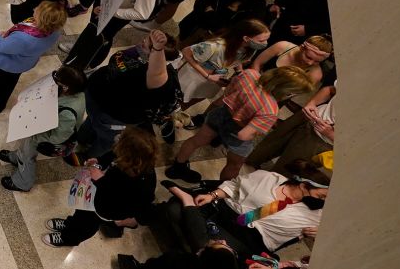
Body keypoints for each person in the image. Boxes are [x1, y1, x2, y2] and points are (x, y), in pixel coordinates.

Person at [166, 66, 315, 183]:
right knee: (235, 165)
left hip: (220, 114)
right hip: (236, 132)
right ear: (287, 91)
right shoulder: (271, 109)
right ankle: (220, 190)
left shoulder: (250, 74)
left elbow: (228, 92)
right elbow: (243, 135)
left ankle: (177, 168)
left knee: (195, 141)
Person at [161, 172, 325, 258]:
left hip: (247, 238)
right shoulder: (270, 178)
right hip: (224, 212)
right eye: (321, 196)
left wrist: (320, 233)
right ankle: (191, 236)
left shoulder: (318, 215)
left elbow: (334, 245)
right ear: (304, 184)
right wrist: (213, 195)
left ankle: (188, 205)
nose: (323, 201)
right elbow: (234, 186)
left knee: (214, 252)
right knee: (174, 209)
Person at [43, 127, 159, 247]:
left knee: (86, 225)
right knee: (81, 212)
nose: (116, 145)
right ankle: (70, 224)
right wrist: (99, 161)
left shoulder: (144, 185)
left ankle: (68, 238)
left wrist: (101, 180)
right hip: (95, 195)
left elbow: (121, 199)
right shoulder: (125, 157)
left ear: (130, 158)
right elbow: (112, 155)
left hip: (107, 208)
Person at [76, 30, 180, 158]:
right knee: (91, 121)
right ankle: (81, 139)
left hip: (114, 115)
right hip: (98, 99)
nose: (142, 42)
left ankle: (89, 157)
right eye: (146, 39)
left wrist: (158, 48)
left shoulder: (160, 80)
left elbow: (157, 74)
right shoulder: (140, 53)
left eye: (146, 44)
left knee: (106, 139)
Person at [0, 1, 67, 116]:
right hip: (22, 64)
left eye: (39, 9)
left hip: (4, 64)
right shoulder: (55, 32)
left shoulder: (23, 38)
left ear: (42, 18)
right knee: (8, 84)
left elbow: (1, 46)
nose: (35, 8)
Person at [0, 65, 86, 192]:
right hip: (42, 126)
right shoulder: (77, 92)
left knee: (27, 157)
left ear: (66, 87)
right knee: (25, 148)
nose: (54, 81)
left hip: (45, 136)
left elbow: (59, 136)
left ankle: (23, 183)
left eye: (57, 80)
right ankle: (17, 157)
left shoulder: (68, 113)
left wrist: (36, 136)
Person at [249, 35, 335, 87]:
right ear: (301, 48)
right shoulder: (282, 47)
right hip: (254, 80)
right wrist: (254, 83)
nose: (310, 63)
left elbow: (291, 93)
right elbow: (257, 63)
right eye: (308, 57)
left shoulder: (315, 74)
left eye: (317, 61)